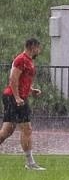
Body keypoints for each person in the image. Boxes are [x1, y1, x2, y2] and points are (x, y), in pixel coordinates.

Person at [0, 37, 45, 170]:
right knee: (27, 129)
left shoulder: (29, 61)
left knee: (6, 132)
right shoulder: (21, 59)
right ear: (32, 47)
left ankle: (30, 163)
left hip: (16, 97)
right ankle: (30, 163)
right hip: (14, 98)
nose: (39, 50)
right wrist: (18, 98)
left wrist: (31, 90)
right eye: (38, 47)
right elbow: (13, 79)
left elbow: (22, 80)